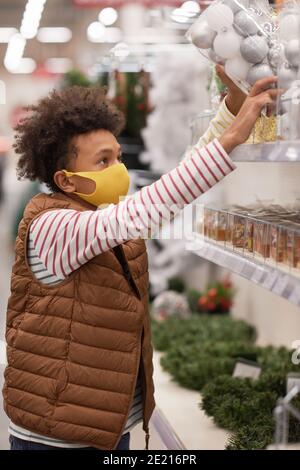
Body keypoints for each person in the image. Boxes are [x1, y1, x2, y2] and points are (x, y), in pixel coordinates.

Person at [3, 70, 279, 451]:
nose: (118, 169)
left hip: (105, 424)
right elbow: (153, 206)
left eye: (117, 156)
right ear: (66, 181)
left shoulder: (98, 213)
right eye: (103, 161)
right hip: (58, 434)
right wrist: (232, 140)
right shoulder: (54, 226)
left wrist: (231, 111)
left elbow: (174, 182)